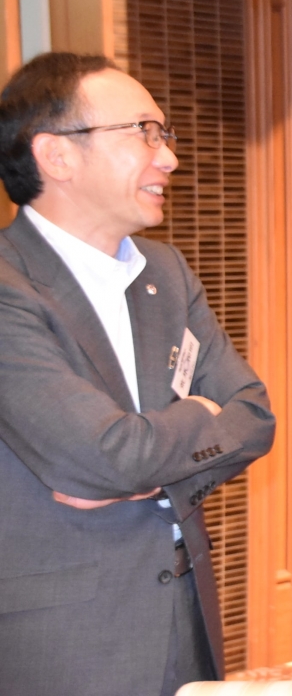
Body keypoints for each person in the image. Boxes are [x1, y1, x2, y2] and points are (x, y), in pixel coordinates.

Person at [0, 53, 276, 696]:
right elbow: (104, 457)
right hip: (66, 641)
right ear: (56, 155)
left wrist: (148, 466)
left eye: (164, 134)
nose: (168, 158)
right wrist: (199, 417)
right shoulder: (11, 286)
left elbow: (254, 414)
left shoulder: (165, 272)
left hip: (186, 619)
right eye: (143, 133)